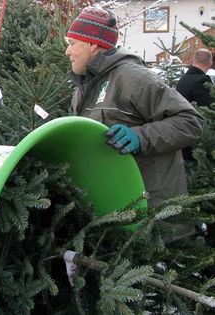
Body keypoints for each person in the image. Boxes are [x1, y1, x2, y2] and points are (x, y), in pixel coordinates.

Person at [65, 6, 203, 208]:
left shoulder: (133, 77)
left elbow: (191, 123)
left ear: (93, 44)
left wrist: (140, 137)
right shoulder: (83, 87)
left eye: (72, 43)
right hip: (112, 206)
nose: (68, 51)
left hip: (151, 211)